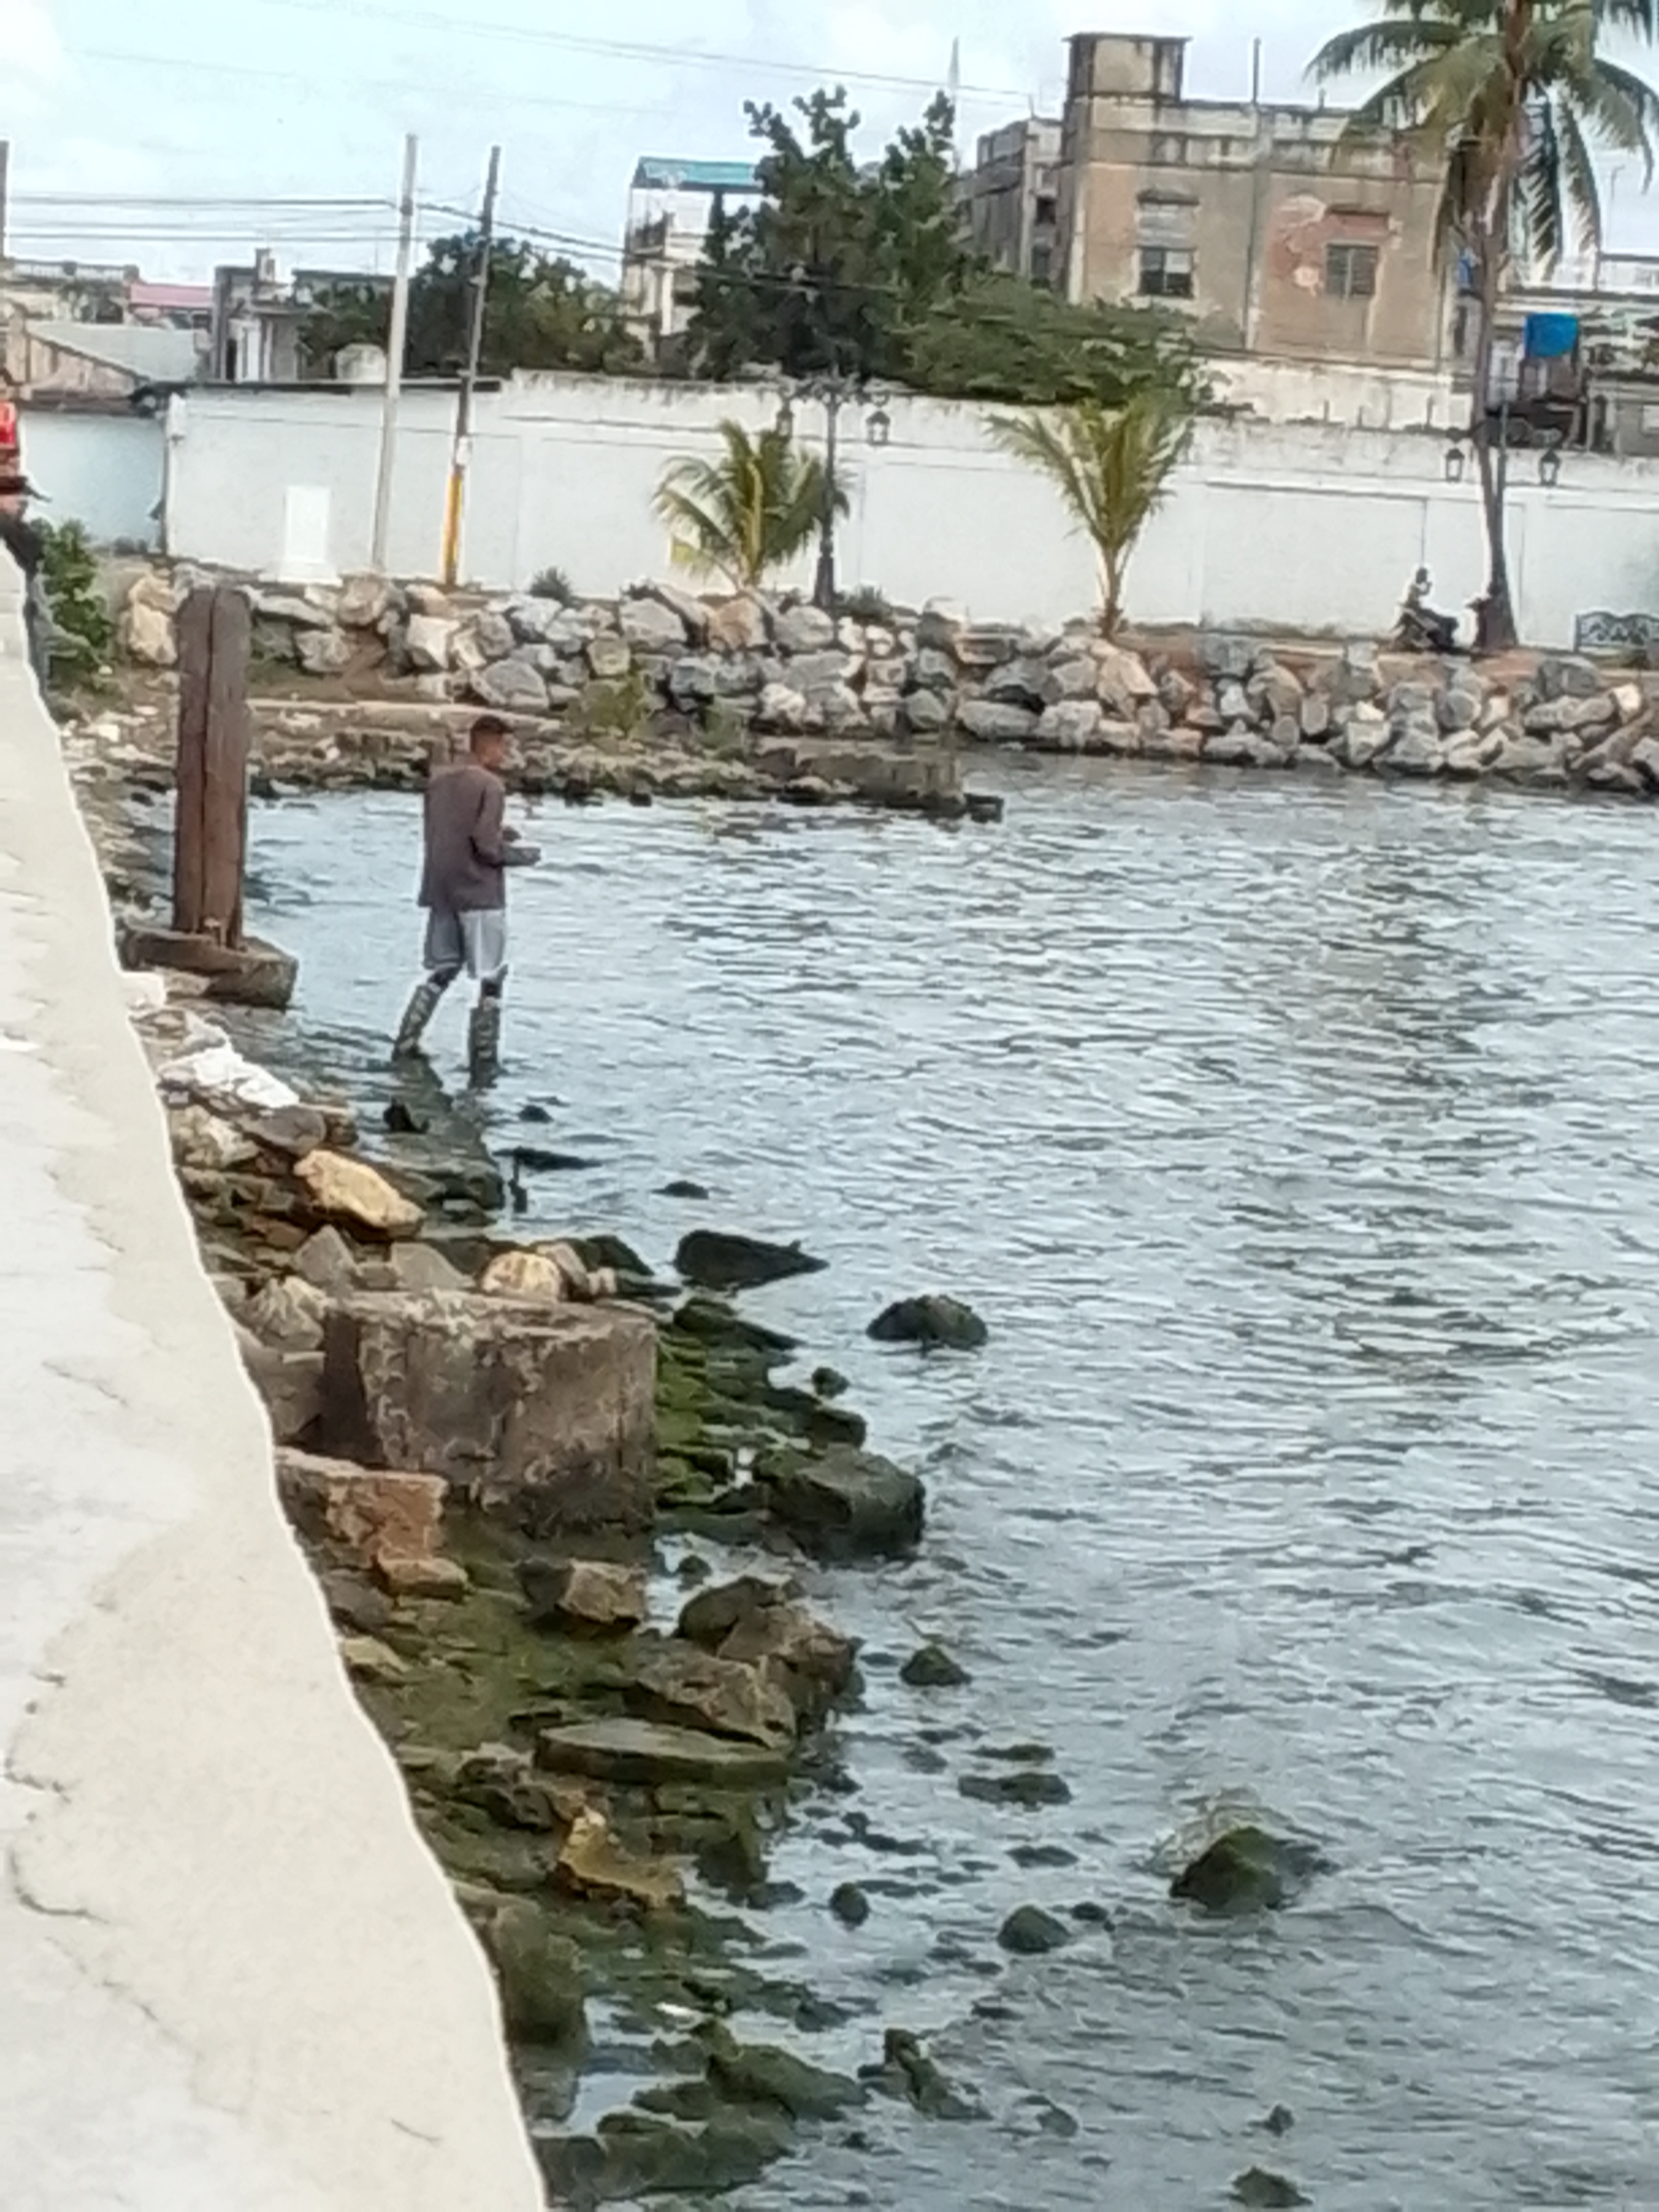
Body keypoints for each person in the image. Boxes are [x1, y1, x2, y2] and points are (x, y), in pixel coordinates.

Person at [394, 714, 541, 1084]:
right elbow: (485, 847)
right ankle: (483, 1064)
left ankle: (405, 1042)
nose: (505, 754)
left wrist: (496, 831)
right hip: (479, 892)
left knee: (443, 969)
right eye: (503, 746)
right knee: (491, 976)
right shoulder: (491, 786)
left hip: (441, 889)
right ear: (488, 745)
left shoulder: (439, 782)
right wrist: (522, 855)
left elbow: (447, 832)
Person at [0, 471, 49, 690]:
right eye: (15, 495)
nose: (22, 502)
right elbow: (30, 549)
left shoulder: (14, 525)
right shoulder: (7, 527)